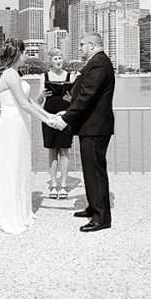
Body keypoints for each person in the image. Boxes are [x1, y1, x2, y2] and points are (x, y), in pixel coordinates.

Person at [0, 38, 56, 235]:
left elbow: (29, 101)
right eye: (25, 52)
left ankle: (20, 210)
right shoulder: (10, 74)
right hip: (12, 123)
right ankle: (9, 213)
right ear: (17, 54)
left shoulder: (15, 74)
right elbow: (23, 103)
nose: (26, 56)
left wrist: (48, 115)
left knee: (20, 164)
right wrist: (46, 121)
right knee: (11, 165)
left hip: (21, 123)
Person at [53, 32, 115, 233]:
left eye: (81, 45)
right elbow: (83, 95)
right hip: (91, 126)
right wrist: (67, 112)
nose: (80, 48)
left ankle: (101, 218)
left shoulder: (98, 64)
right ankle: (93, 206)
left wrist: (65, 119)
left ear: (92, 45)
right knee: (90, 170)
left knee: (95, 170)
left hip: (95, 127)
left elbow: (86, 97)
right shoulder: (97, 62)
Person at [37, 48, 76, 200]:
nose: (58, 61)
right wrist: (42, 94)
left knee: (64, 150)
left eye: (60, 58)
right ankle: (53, 184)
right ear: (50, 60)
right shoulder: (44, 76)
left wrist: (69, 100)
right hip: (49, 117)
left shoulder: (70, 76)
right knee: (52, 150)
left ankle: (64, 184)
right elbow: (39, 101)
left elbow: (76, 100)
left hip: (65, 116)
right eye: (55, 59)